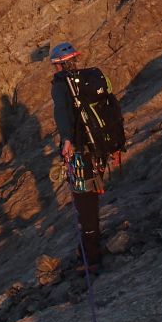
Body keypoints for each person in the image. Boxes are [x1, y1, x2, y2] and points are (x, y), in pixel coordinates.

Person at [49, 41, 123, 272]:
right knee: (92, 198)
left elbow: (62, 114)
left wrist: (67, 140)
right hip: (100, 149)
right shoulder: (90, 80)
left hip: (80, 150)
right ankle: (89, 250)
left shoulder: (62, 86)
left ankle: (91, 258)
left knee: (84, 203)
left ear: (58, 65)